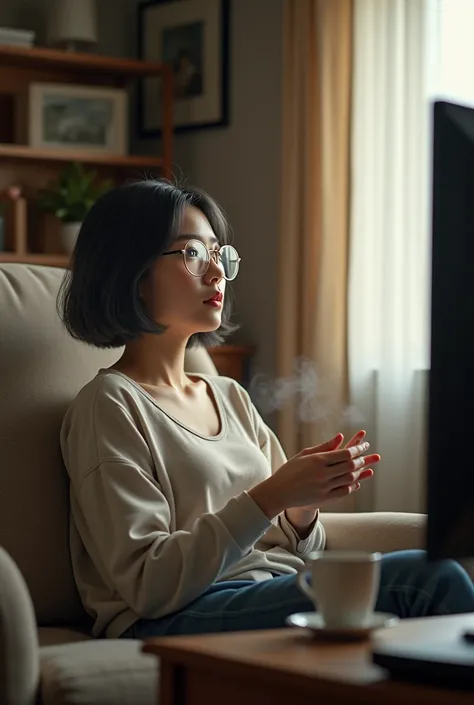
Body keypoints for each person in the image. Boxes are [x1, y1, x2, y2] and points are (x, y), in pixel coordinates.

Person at [59, 179, 474, 640]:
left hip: (269, 587)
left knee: (427, 576)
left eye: (219, 255)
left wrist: (302, 510)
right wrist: (271, 496)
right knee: (425, 580)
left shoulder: (229, 397)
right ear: (130, 274)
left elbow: (300, 549)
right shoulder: (110, 406)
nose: (216, 272)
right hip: (171, 615)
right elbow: (147, 584)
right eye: (192, 253)